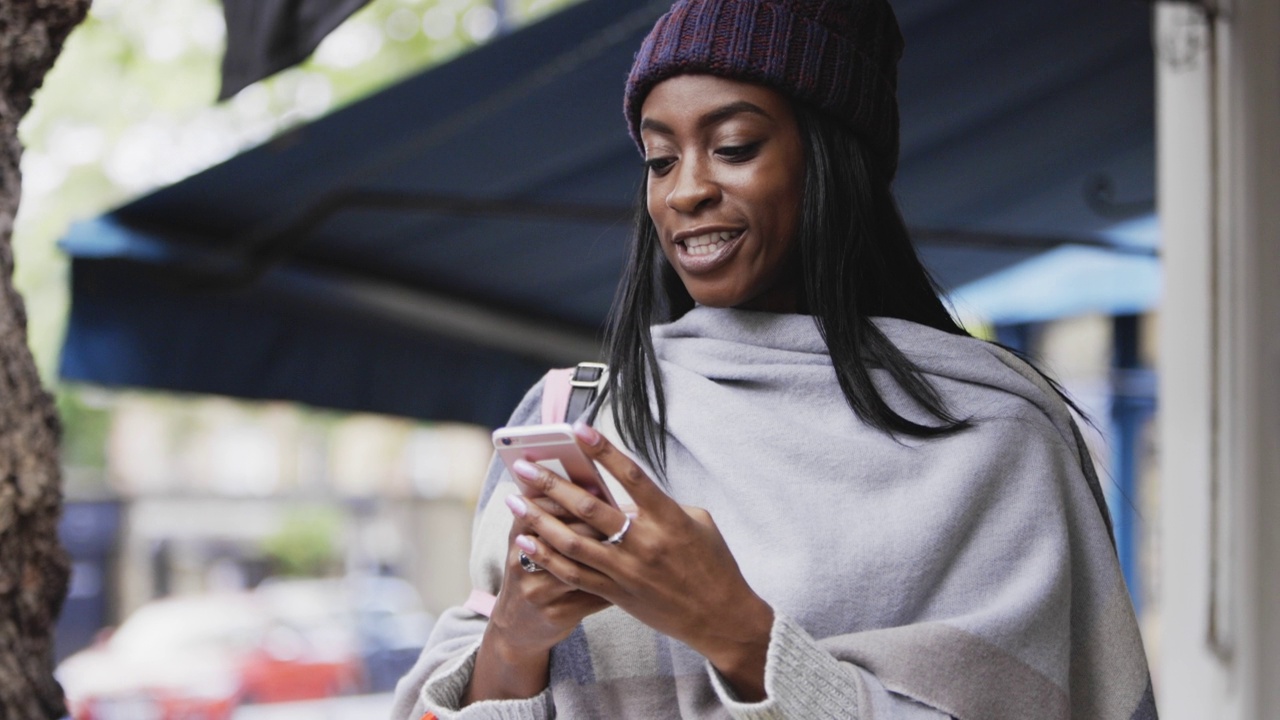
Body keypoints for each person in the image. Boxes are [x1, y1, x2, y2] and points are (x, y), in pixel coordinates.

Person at [393, 0, 1157, 717]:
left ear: (831, 161)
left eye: (733, 147)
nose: (685, 191)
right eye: (660, 160)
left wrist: (735, 631)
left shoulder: (993, 436)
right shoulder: (579, 418)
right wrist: (516, 640)